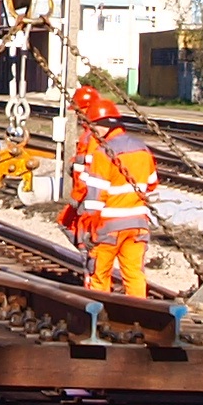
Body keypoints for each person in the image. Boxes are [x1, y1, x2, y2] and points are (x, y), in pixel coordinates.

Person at [65, 85, 157, 299]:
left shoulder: (102, 153)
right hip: (137, 225)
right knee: (134, 275)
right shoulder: (142, 149)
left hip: (108, 226)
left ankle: (99, 314)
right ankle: (139, 313)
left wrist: (88, 230)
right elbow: (152, 184)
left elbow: (95, 198)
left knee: (99, 275)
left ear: (102, 125)